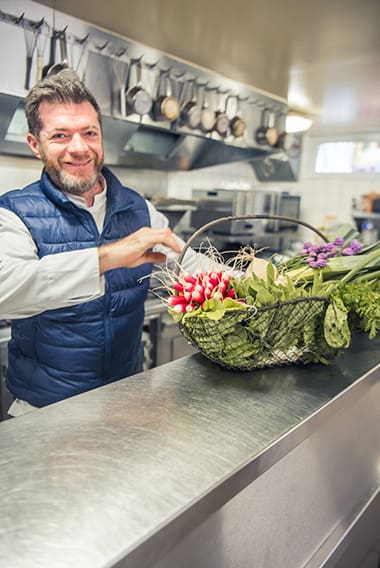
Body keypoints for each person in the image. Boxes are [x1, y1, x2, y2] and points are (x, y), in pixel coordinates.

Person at [0, 73, 201, 417]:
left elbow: (195, 269)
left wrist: (276, 282)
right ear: (35, 144)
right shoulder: (14, 212)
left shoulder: (139, 209)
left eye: (89, 133)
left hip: (126, 405)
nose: (79, 148)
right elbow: (5, 290)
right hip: (44, 414)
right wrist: (107, 258)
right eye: (60, 135)